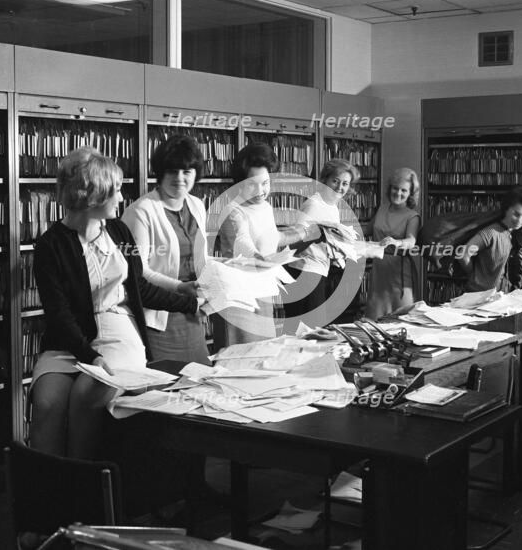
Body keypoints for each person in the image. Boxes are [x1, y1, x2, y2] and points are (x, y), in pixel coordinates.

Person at [30, 147, 198, 459]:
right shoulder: (50, 245)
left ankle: (82, 483)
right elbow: (59, 313)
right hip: (69, 342)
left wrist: (188, 301)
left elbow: (139, 288)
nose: (121, 199)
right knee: (46, 402)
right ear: (92, 194)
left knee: (86, 394)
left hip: (118, 332)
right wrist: (89, 356)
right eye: (116, 190)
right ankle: (47, 493)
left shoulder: (119, 231)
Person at [213, 142, 314, 348]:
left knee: (265, 354)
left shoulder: (265, 207)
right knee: (239, 357)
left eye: (265, 183)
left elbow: (273, 238)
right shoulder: (232, 210)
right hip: (238, 296)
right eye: (253, 184)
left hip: (263, 289)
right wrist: (261, 258)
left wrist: (304, 231)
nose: (261, 190)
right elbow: (243, 243)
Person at [122, 135, 210, 364]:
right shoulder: (141, 211)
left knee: (199, 383)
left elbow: (202, 258)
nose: (180, 178)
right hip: (160, 316)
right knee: (167, 387)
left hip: (192, 310)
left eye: (187, 171)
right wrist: (180, 287)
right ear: (160, 173)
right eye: (172, 171)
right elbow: (137, 271)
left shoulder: (197, 205)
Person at [283, 159, 359, 332]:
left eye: (345, 183)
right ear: (325, 180)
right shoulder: (313, 205)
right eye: (335, 181)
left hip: (318, 270)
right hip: (303, 272)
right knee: (305, 330)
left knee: (313, 329)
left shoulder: (332, 206)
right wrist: (318, 236)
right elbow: (295, 242)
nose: (340, 187)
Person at [457, 186, 522, 292]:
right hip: (480, 296)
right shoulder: (491, 233)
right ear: (507, 209)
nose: (519, 220)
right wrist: (475, 276)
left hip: (504, 297)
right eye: (516, 214)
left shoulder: (520, 235)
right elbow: (463, 255)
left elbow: (510, 264)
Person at [366, 167, 421, 320]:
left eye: (404, 190)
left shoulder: (412, 216)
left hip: (400, 272)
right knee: (374, 319)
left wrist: (396, 242)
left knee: (401, 319)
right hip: (379, 270)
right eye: (395, 188)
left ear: (411, 193)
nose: (398, 193)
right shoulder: (382, 209)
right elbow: (366, 230)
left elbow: (411, 241)